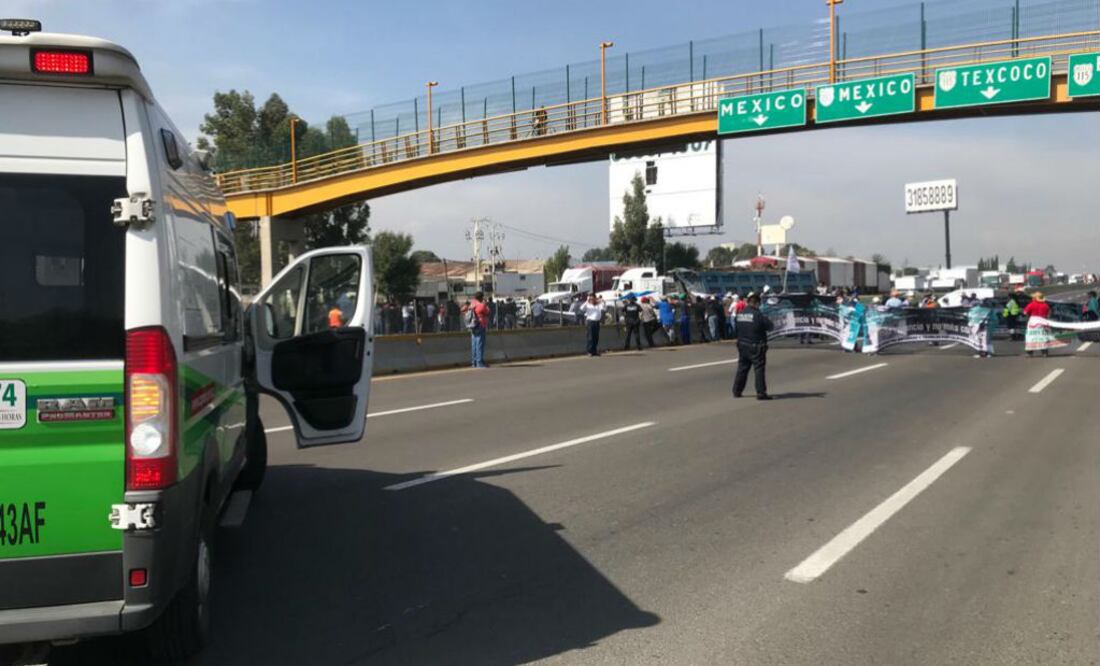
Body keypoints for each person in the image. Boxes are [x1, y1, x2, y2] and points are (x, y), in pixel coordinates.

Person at [733, 293, 774, 400]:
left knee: (742, 368)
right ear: (756, 303)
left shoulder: (740, 314)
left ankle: (737, 391)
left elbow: (736, 329)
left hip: (742, 344)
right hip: (755, 346)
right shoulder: (758, 315)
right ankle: (761, 393)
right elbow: (770, 326)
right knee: (759, 369)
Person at [463, 292, 491, 368]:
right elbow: (488, 312)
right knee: (480, 344)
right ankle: (479, 362)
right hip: (480, 325)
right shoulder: (482, 305)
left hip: (473, 326)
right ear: (481, 297)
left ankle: (474, 362)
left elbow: (464, 309)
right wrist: (485, 304)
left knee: (474, 344)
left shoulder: (472, 304)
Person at [1023, 291, 1054, 357]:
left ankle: (1030, 353)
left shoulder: (1032, 304)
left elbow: (1025, 312)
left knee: (1030, 337)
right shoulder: (1045, 305)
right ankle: (1044, 352)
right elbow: (1049, 313)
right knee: (1042, 337)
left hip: (1033, 321)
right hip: (1042, 321)